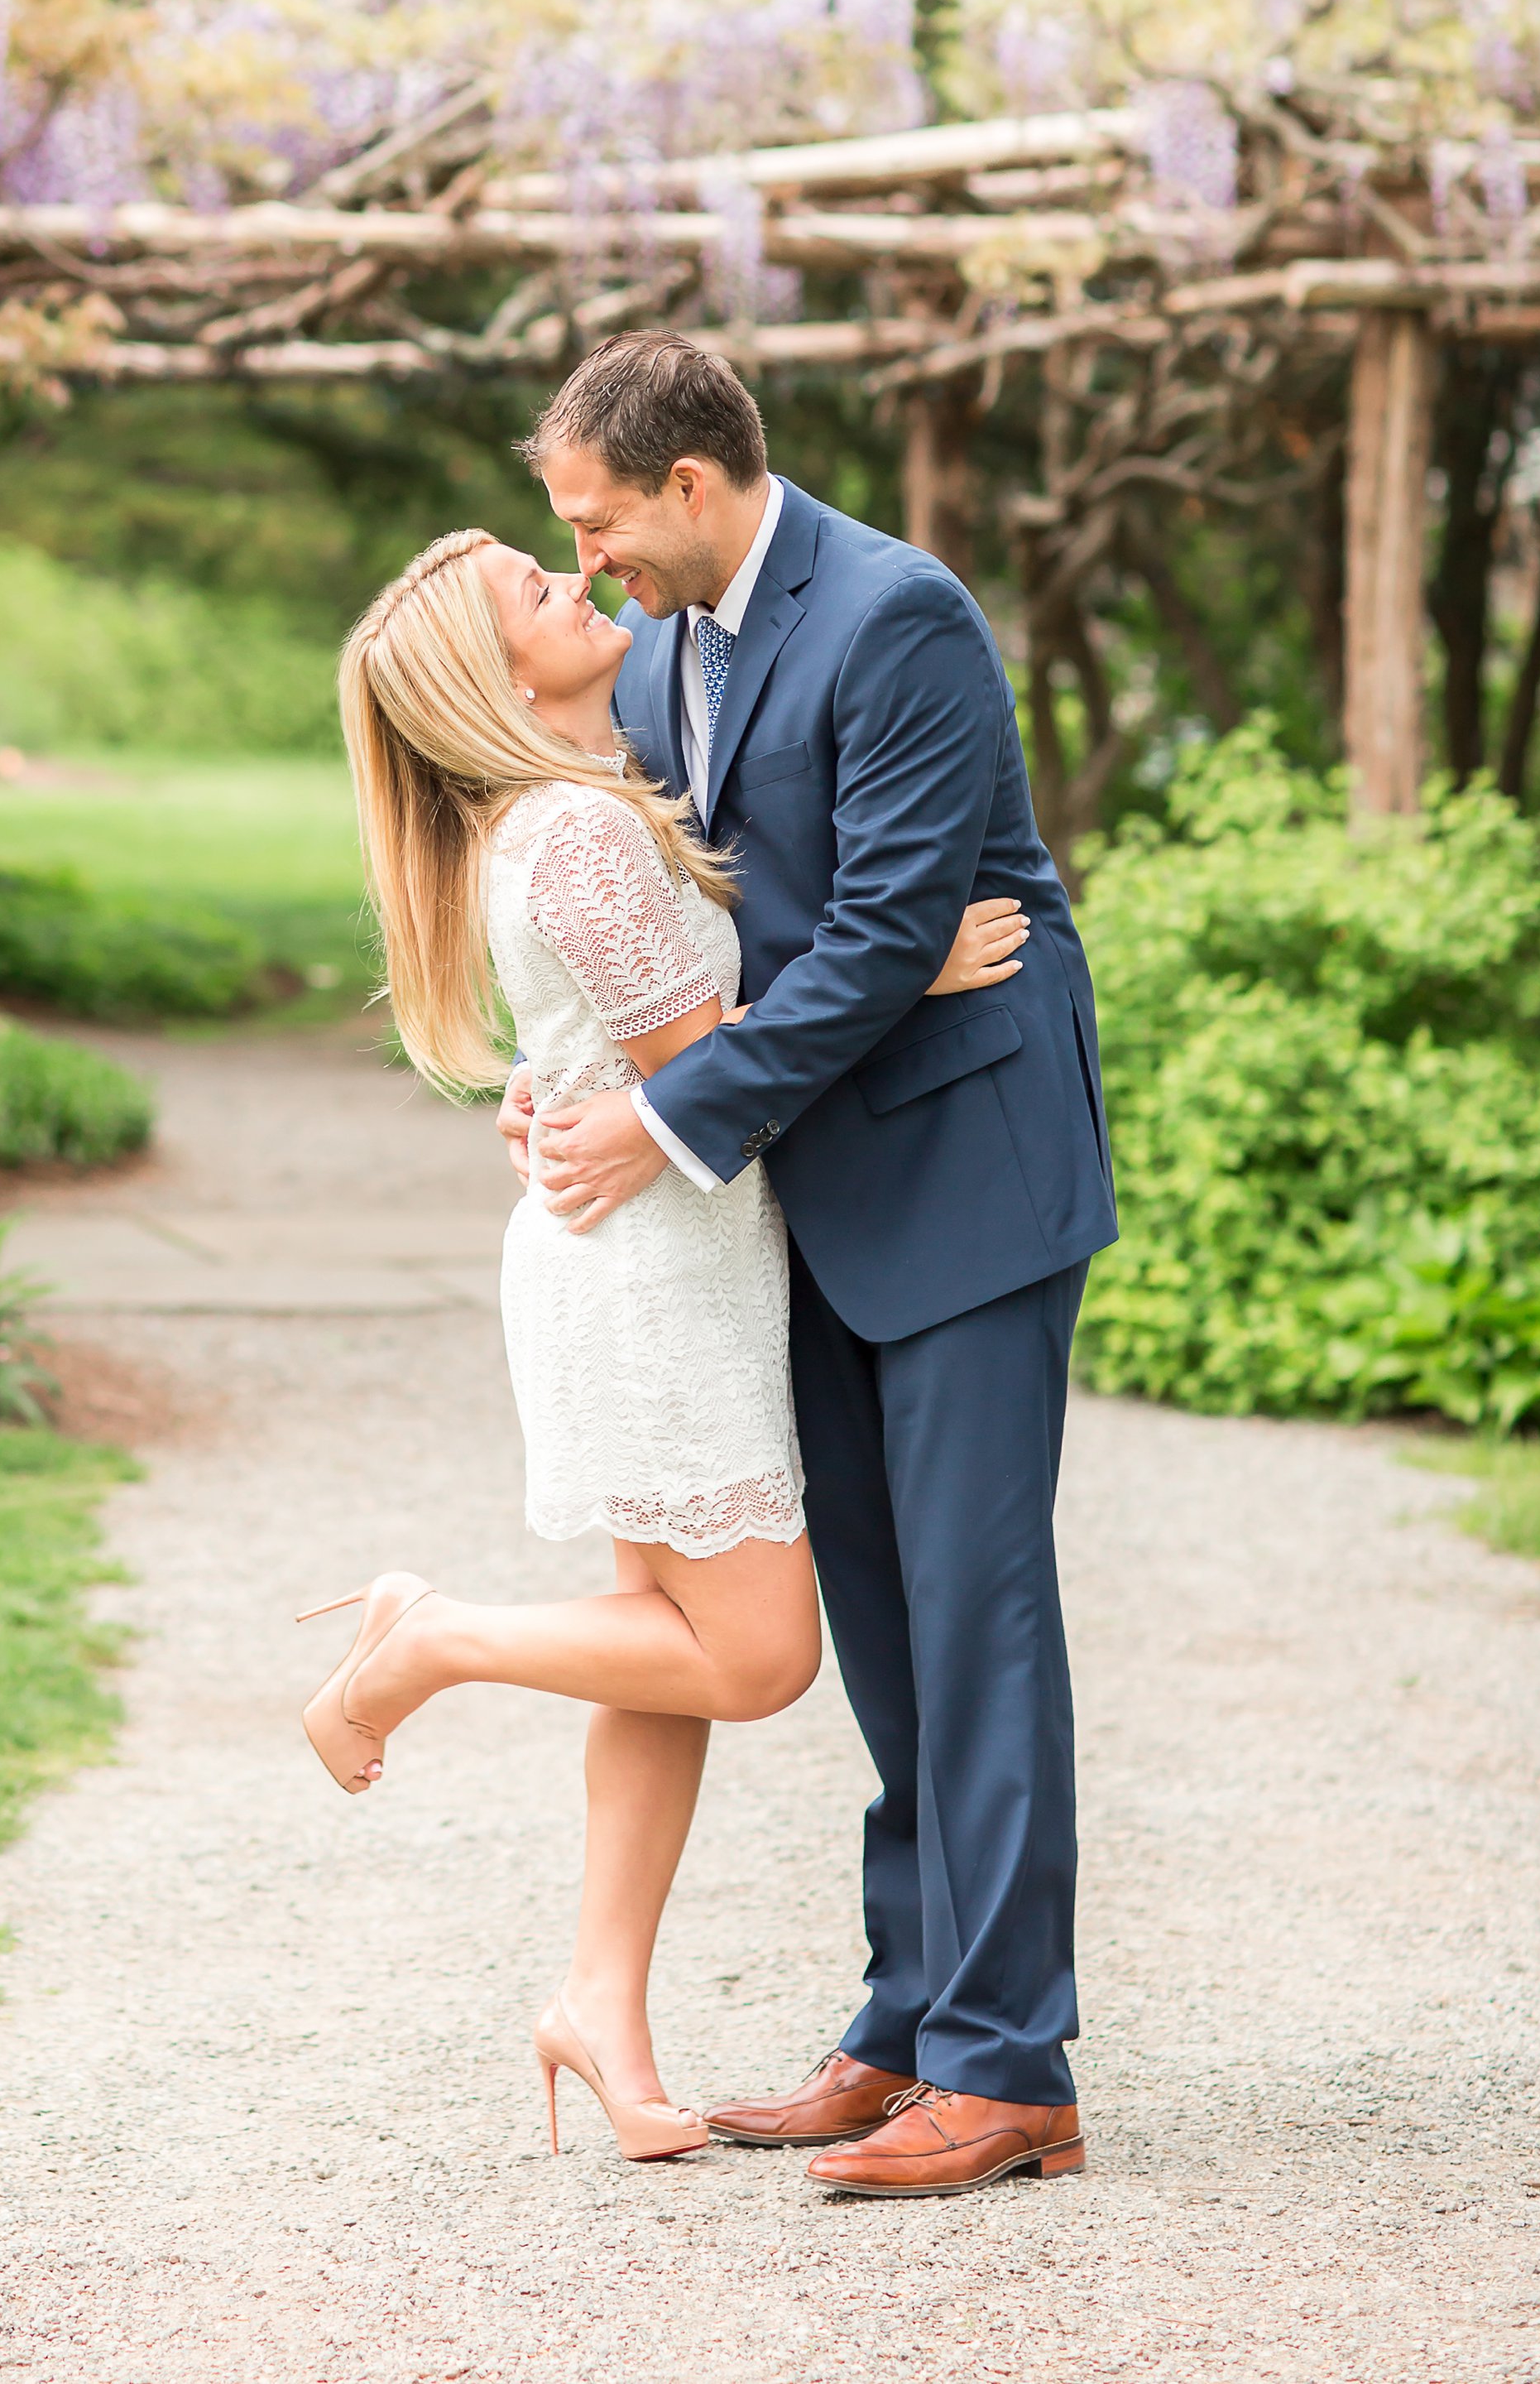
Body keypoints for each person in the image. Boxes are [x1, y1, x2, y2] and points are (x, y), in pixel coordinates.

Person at [314, 520, 1027, 2165]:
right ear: (500, 679)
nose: (577, 588)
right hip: (650, 1273)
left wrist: (583, 1089)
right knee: (754, 1652)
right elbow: (708, 1054)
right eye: (535, 594)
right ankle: (429, 1639)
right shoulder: (565, 831)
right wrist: (903, 969)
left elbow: (642, 1055)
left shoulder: (573, 805)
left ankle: (597, 2005)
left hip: (653, 1245)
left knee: (660, 1652)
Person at [502, 331, 1117, 2201]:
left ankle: (1010, 2072)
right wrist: (569, 1087)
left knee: (974, 1611)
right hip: (817, 1191)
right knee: (877, 1612)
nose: (590, 567)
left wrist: (662, 1128)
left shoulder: (893, 614)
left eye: (599, 526)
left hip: (963, 1174)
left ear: (688, 483)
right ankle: (906, 2020)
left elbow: (886, 934)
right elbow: (723, 932)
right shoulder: (676, 647)